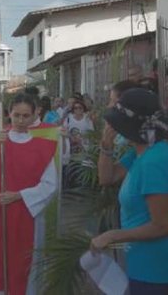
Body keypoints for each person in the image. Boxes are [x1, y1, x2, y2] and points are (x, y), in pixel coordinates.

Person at [0, 93, 57, 295]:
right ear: (9, 113)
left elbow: (50, 185)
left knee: (23, 268)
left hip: (27, 215)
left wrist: (19, 195)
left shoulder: (42, 148)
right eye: (16, 115)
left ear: (35, 115)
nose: (20, 120)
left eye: (26, 116)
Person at [92, 88, 168, 295]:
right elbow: (107, 178)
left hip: (155, 271)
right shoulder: (140, 152)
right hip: (140, 264)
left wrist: (115, 235)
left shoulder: (154, 160)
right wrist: (106, 145)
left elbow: (162, 225)